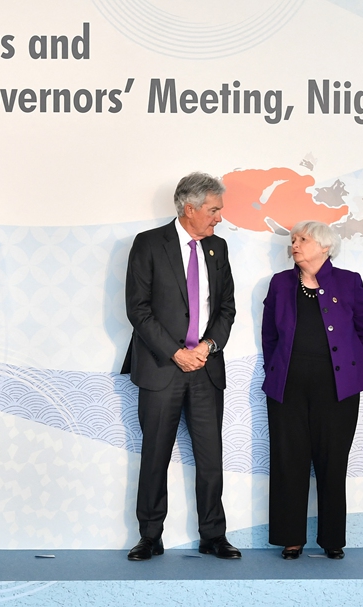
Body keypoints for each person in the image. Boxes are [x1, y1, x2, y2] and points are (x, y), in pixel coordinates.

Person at [122, 172, 239, 561]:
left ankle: (214, 536)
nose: (219, 217)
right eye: (213, 209)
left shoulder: (218, 249)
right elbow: (137, 310)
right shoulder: (148, 244)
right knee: (155, 455)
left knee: (210, 459)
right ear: (189, 208)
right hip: (161, 368)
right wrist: (176, 352)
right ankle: (150, 536)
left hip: (206, 368)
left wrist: (206, 346)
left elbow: (226, 308)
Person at [261, 221, 363, 560]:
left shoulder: (348, 281)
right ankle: (290, 537)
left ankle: (332, 539)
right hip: (288, 386)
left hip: (337, 388)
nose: (294, 245)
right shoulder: (281, 283)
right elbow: (270, 335)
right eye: (293, 240)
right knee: (288, 460)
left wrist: (348, 358)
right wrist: (276, 368)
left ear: (325, 246)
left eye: (302, 239)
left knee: (332, 461)